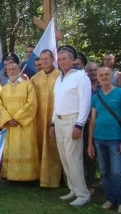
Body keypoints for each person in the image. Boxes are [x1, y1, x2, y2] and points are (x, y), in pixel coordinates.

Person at [49, 45, 91, 206]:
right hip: (59, 121)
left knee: (74, 158)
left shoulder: (80, 77)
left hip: (73, 120)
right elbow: (56, 103)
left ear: (72, 60)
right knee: (65, 157)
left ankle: (83, 194)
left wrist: (79, 125)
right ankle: (73, 189)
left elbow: (84, 102)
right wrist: (53, 122)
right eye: (59, 60)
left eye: (65, 59)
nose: (62, 62)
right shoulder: (60, 78)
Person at [0, 63, 39, 181]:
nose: (11, 71)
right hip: (10, 126)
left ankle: (28, 177)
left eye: (14, 69)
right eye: (9, 69)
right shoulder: (4, 89)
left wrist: (17, 118)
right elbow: (0, 105)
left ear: (19, 70)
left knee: (24, 149)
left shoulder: (28, 86)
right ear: (6, 71)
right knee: (11, 150)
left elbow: (32, 103)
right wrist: (7, 119)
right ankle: (10, 176)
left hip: (24, 125)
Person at [88, 66, 121, 212]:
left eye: (107, 74)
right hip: (99, 139)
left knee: (117, 172)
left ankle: (120, 201)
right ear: (98, 78)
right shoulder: (96, 97)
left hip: (115, 139)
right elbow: (93, 121)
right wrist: (90, 143)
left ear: (111, 75)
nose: (104, 77)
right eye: (101, 75)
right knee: (105, 171)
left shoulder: (119, 93)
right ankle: (110, 199)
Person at [30, 49, 62, 188]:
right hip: (38, 119)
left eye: (46, 59)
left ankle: (56, 180)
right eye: (42, 59)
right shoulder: (35, 78)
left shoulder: (61, 75)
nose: (44, 61)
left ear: (52, 59)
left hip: (56, 119)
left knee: (55, 148)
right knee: (39, 146)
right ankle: (40, 178)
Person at [84, 62, 99, 195]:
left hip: (101, 125)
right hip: (86, 124)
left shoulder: (104, 85)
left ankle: (94, 183)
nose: (93, 72)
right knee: (88, 154)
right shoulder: (84, 85)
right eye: (91, 70)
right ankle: (88, 183)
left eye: (95, 70)